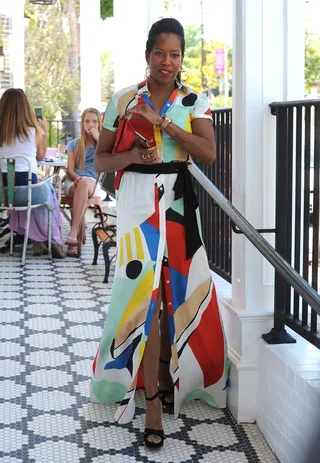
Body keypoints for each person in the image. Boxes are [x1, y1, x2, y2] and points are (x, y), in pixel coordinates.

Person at [91, 18, 228, 449]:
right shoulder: (123, 99)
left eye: (175, 54)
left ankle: (177, 378)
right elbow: (100, 162)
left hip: (179, 202)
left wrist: (163, 124)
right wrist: (132, 152)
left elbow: (206, 152)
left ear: (181, 58)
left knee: (180, 293)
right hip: (136, 202)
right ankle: (151, 401)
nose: (166, 62)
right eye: (159, 53)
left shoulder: (194, 100)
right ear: (147, 55)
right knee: (142, 299)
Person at [0, 88, 65, 258]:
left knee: (31, 189)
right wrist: (43, 130)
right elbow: (41, 156)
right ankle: (51, 240)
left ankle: (36, 242)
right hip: (26, 193)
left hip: (2, 194)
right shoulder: (34, 131)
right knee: (45, 190)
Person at [64, 108, 103, 257]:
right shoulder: (74, 144)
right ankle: (74, 237)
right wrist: (76, 178)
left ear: (99, 124)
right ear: (82, 123)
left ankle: (73, 236)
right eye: (87, 121)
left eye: (94, 121)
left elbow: (110, 155)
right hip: (73, 182)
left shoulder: (102, 144)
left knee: (85, 184)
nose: (90, 124)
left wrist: (98, 137)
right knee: (82, 184)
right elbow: (70, 169)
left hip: (92, 182)